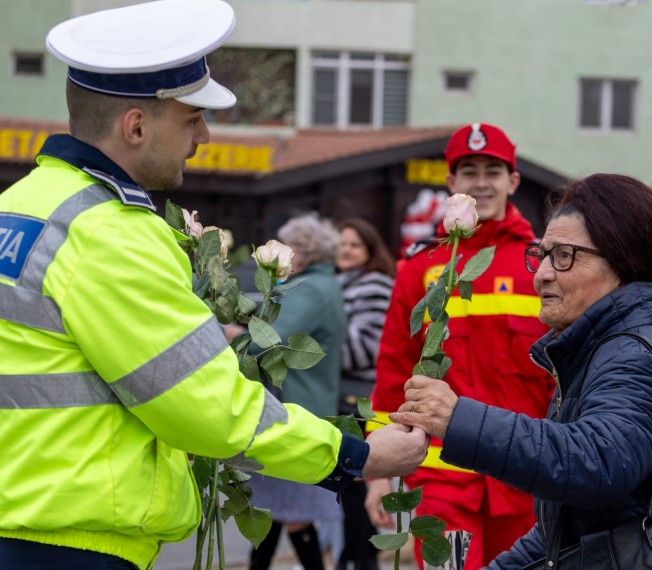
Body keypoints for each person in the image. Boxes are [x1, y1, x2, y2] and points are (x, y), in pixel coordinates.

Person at [0, 2, 428, 569]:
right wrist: (355, 454)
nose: (203, 135)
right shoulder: (111, 233)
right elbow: (212, 411)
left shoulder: (20, 207)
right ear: (136, 126)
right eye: (191, 118)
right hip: (74, 541)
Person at [390, 173, 652, 569]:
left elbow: (594, 462)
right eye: (542, 254)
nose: (541, 273)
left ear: (621, 260)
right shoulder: (597, 352)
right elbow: (562, 532)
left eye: (563, 255)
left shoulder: (631, 354)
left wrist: (458, 419)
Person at [367, 123, 554, 569]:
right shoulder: (421, 268)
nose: (482, 182)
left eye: (493, 170)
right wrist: (378, 467)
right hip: (444, 482)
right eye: (469, 171)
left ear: (513, 181)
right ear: (451, 184)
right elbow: (394, 369)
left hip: (526, 477)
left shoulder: (542, 266)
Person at [249, 214, 347, 570]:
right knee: (281, 510)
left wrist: (231, 333)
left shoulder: (311, 289)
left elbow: (268, 340)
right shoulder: (323, 285)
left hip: (295, 408)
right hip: (307, 403)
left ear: (303, 252)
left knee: (288, 509)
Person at [335, 218, 396, 570]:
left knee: (358, 489)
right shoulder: (344, 282)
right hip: (347, 396)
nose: (345, 250)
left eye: (354, 244)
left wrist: (316, 347)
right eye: (342, 243)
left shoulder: (373, 285)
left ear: (371, 251)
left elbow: (363, 350)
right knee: (351, 489)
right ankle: (355, 557)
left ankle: (362, 560)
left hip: (360, 399)